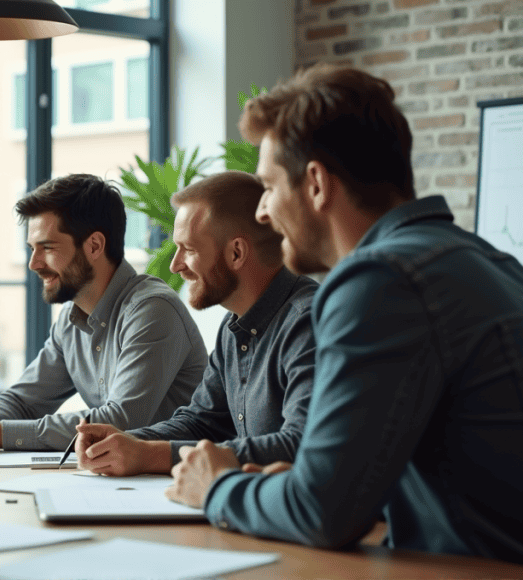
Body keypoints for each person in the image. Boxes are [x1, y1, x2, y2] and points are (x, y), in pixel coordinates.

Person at [166, 64, 523, 564]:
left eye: (269, 187)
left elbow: (323, 513)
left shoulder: (379, 280)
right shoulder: (486, 260)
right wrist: (300, 480)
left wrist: (217, 486)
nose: (263, 212)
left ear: (315, 184)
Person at [0, 173, 208, 451]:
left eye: (46, 247)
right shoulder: (70, 321)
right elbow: (23, 402)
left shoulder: (152, 310)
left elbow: (122, 420)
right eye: (32, 248)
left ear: (94, 245)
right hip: (117, 478)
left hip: (170, 482)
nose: (34, 263)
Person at [75, 171, 317, 476]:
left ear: (236, 252)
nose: (176, 266)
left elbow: (299, 444)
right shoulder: (234, 328)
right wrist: (123, 441)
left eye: (188, 249)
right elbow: (201, 421)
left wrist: (150, 455)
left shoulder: (307, 322)